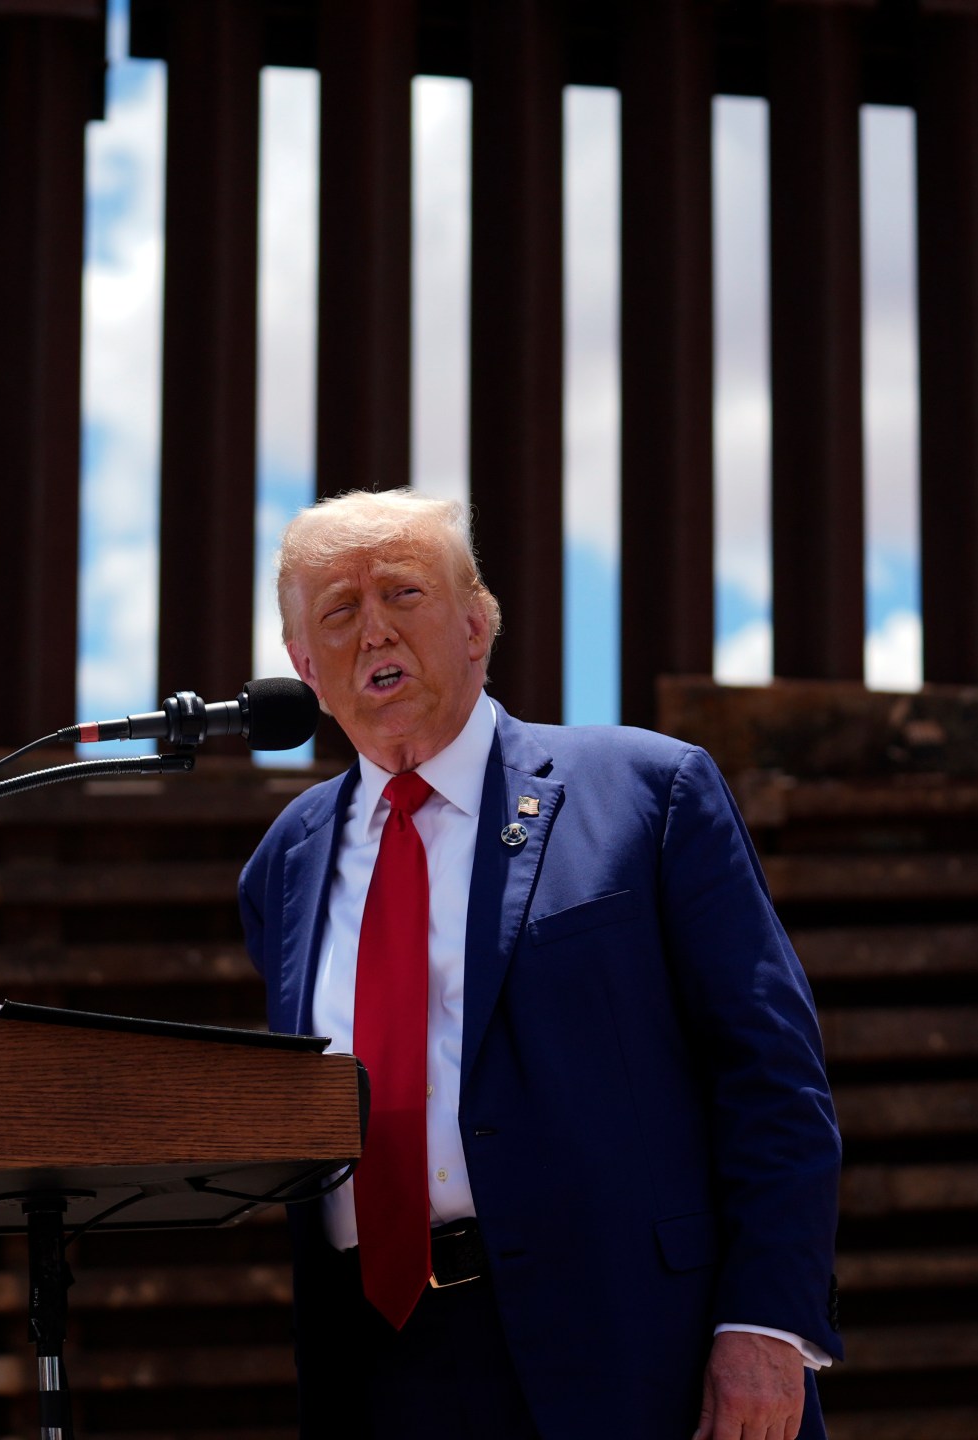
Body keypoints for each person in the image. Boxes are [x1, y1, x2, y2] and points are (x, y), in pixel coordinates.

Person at [238, 489, 844, 1439]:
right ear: (304, 665)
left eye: (404, 592)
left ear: (477, 626)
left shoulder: (648, 793)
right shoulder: (285, 860)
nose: (375, 630)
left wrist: (767, 1323)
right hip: (383, 1364)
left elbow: (771, 1076)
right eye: (340, 612)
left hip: (637, 1348)